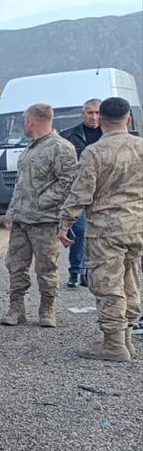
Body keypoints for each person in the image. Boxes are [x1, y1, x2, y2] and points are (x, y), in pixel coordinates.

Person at [57, 97, 143, 362]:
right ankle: (126, 339)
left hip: (107, 231)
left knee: (108, 285)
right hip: (137, 227)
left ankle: (114, 345)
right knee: (131, 280)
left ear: (101, 121)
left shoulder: (94, 152)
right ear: (128, 120)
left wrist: (65, 224)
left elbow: (80, 193)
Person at [0, 104, 77, 328]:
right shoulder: (30, 148)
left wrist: (41, 201)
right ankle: (16, 308)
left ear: (30, 121)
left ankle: (47, 309)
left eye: (25, 121)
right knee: (15, 265)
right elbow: (21, 185)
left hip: (45, 221)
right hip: (21, 220)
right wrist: (12, 211)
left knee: (47, 267)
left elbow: (69, 181)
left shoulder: (61, 147)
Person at [60, 99, 102, 288]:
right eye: (90, 113)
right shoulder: (68, 136)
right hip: (77, 193)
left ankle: (91, 271)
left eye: (98, 113)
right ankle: (76, 271)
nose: (94, 117)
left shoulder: (109, 135)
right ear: (82, 114)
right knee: (80, 230)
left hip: (103, 193)